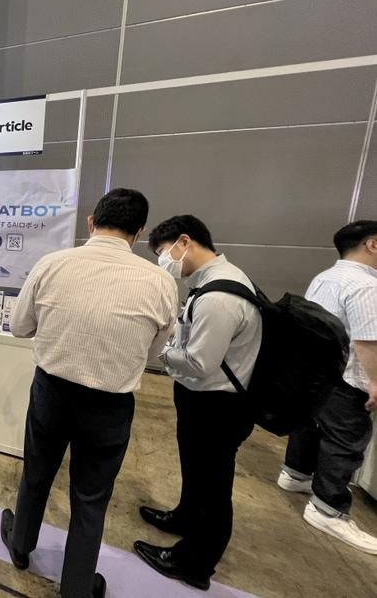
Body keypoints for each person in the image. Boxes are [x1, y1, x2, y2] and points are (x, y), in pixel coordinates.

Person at [1, 189, 178, 598]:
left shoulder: (52, 264)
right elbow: (153, 353)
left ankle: (21, 546)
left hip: (51, 392)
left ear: (91, 222)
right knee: (91, 497)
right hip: (110, 404)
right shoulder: (160, 282)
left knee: (36, 473)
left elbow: (19, 327)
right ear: (139, 232)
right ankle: (77, 587)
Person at [134, 215, 263, 590]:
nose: (164, 261)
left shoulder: (220, 296)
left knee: (213, 484)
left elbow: (199, 362)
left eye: (163, 252)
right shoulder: (208, 282)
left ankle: (194, 562)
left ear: (184, 242)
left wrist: (157, 350)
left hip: (217, 405)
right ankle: (185, 517)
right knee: (196, 470)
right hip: (201, 397)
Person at [277, 220, 377, 555]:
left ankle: (296, 474)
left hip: (316, 372)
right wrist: (375, 381)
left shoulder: (325, 277)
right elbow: (367, 341)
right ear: (372, 244)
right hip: (346, 377)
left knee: (309, 426)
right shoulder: (366, 285)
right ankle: (328, 509)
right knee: (345, 440)